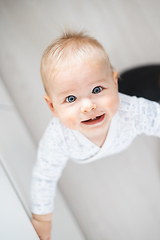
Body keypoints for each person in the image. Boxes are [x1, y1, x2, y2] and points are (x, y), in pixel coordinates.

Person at [30, 30, 160, 240]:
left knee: (148, 86)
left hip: (134, 90)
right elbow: (44, 177)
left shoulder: (133, 111)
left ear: (114, 82)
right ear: (52, 106)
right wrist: (42, 219)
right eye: (71, 98)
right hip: (123, 91)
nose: (88, 105)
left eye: (97, 89)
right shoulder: (58, 138)